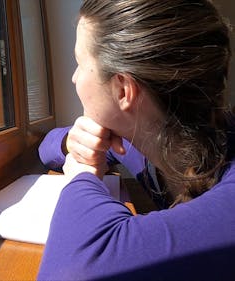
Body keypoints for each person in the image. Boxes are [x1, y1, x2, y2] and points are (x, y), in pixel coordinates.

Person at [37, 0, 235, 280]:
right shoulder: (144, 137)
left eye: (80, 64)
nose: (73, 77)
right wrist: (74, 142)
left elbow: (73, 269)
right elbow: (47, 147)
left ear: (123, 90)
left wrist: (82, 176)